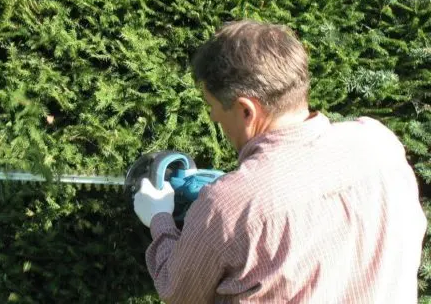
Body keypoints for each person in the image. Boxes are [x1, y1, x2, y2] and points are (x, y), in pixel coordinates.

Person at [133, 20, 428, 303]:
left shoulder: (228, 205)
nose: (212, 117)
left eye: (212, 107)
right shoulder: (380, 143)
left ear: (246, 110)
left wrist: (159, 218)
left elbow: (179, 293)